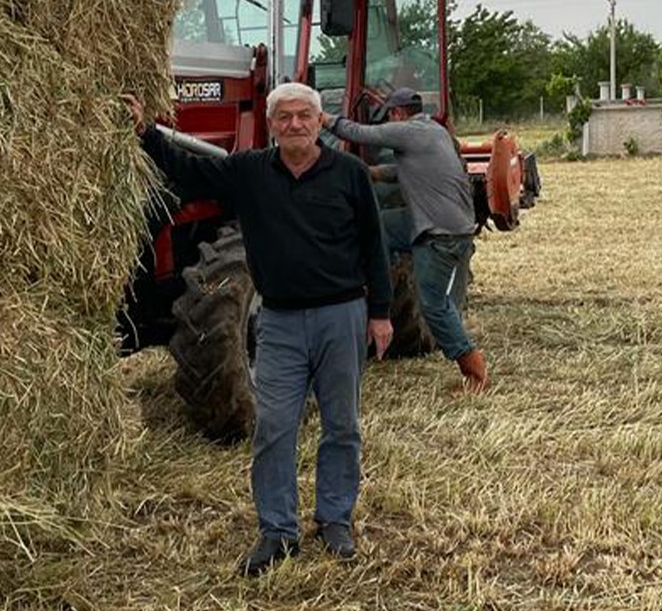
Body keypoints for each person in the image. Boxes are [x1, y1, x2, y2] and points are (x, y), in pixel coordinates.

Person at [125, 83, 393, 576]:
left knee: (342, 425)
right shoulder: (250, 172)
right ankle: (278, 530)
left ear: (318, 121)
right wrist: (146, 131)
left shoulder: (350, 174)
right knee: (274, 428)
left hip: (342, 316)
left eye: (303, 116)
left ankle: (335, 519)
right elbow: (191, 171)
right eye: (284, 117)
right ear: (271, 125)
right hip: (280, 322)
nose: (294, 124)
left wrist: (380, 313)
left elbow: (375, 247)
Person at [321, 88, 489, 393]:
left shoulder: (410, 131)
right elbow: (403, 170)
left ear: (397, 114)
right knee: (380, 227)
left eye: (389, 115)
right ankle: (378, 279)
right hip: (448, 224)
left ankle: (474, 370)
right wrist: (371, 172)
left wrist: (322, 118)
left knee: (433, 305)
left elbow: (359, 132)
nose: (388, 120)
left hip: (440, 233)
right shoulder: (432, 132)